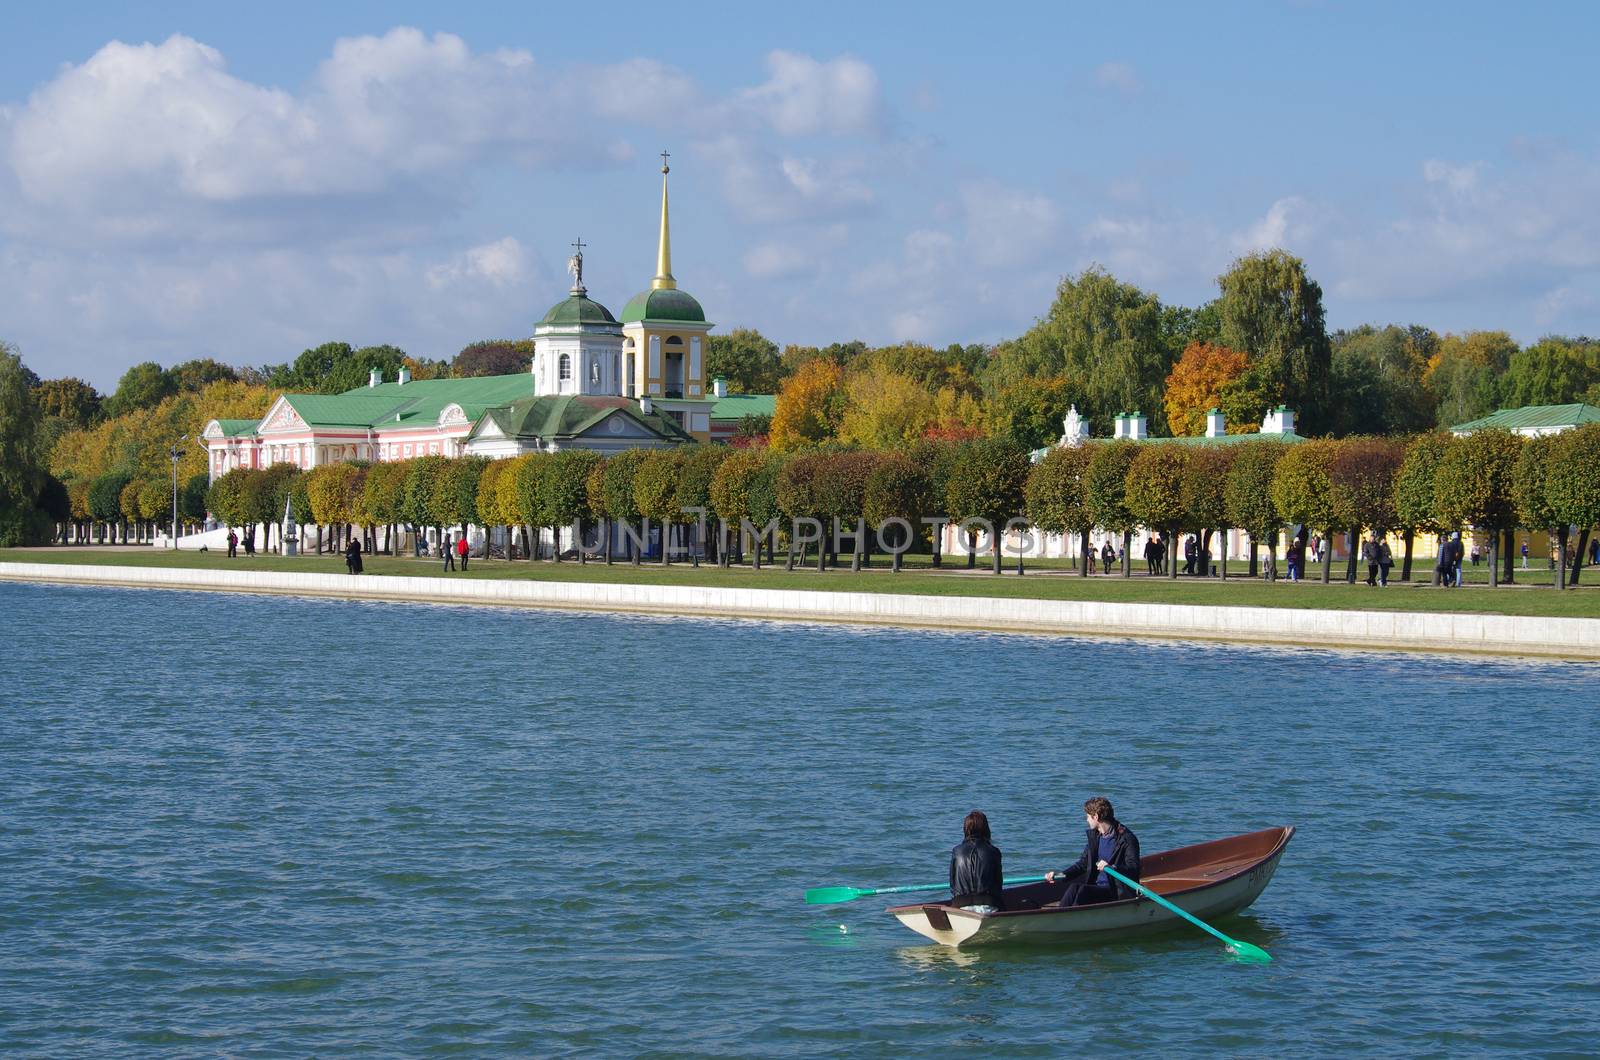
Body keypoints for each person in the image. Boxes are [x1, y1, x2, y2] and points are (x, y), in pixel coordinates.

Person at [1046, 796, 1141, 907]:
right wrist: (1061, 875)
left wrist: (1113, 867)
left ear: (1095, 817)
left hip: (1115, 891)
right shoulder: (1095, 837)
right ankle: (1060, 915)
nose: (1086, 820)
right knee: (1075, 888)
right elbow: (1083, 864)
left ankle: (1065, 918)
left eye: (1088, 817)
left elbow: (1134, 868)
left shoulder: (1127, 839)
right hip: (1097, 887)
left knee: (1082, 891)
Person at [948, 810, 1004, 913]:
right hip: (988, 905)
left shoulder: (956, 851)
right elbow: (998, 884)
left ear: (965, 829)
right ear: (986, 829)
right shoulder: (994, 851)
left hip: (960, 905)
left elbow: (952, 884)